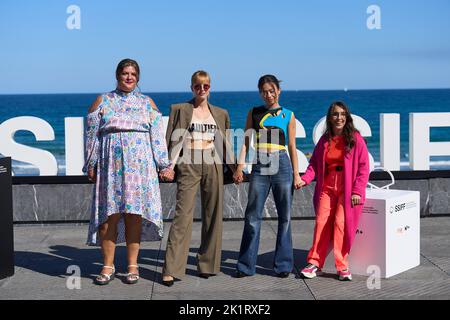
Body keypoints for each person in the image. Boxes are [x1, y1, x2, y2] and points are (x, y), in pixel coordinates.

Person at [84, 58, 174, 285]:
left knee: (134, 216)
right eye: (125, 73)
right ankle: (108, 265)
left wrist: (164, 165)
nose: (129, 77)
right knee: (109, 217)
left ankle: (133, 265)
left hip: (139, 167)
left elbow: (157, 138)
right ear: (118, 75)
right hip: (110, 168)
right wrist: (91, 163)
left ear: (138, 77)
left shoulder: (147, 103)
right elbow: (91, 136)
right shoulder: (102, 100)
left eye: (133, 73)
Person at [161, 70, 235, 286]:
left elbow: (225, 145)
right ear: (191, 87)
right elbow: (172, 141)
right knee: (182, 216)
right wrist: (169, 167)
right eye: (197, 86)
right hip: (189, 163)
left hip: (213, 163)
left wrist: (236, 168)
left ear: (210, 88)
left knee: (214, 216)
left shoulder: (221, 113)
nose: (202, 90)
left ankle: (208, 265)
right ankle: (172, 268)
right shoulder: (180, 109)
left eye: (206, 86)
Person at [233, 74, 302, 278]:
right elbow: (246, 142)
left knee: (285, 217)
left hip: (282, 163)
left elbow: (291, 146)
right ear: (260, 93)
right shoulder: (254, 112)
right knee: (253, 216)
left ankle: (283, 265)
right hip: (260, 163)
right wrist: (239, 167)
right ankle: (245, 266)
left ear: (278, 91)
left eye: (272, 90)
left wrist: (297, 175)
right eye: (264, 91)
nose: (268, 95)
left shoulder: (288, 115)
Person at [299, 101, 370, 281]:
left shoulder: (355, 139)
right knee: (321, 222)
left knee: (341, 224)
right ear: (330, 118)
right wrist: (305, 179)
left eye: (342, 114)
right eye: (335, 114)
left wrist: (357, 191)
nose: (339, 118)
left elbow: (363, 167)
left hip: (347, 189)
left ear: (347, 117)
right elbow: (314, 164)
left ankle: (342, 265)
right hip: (328, 186)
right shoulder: (325, 140)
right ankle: (314, 263)